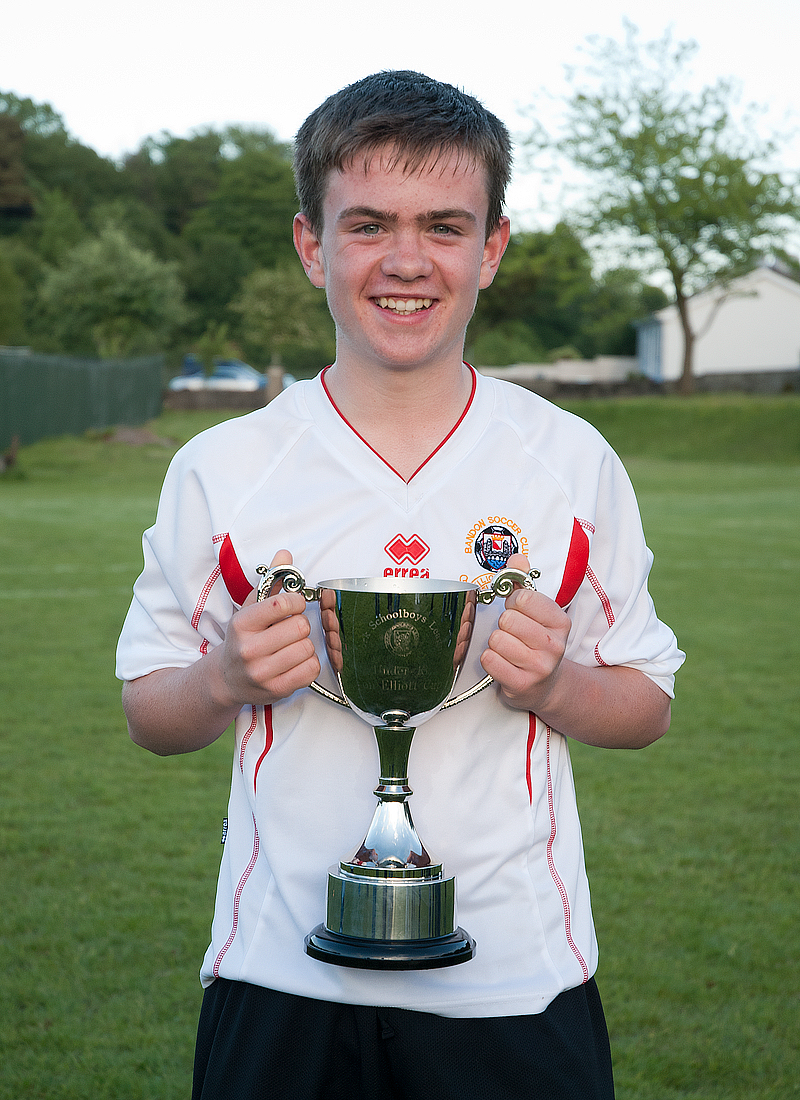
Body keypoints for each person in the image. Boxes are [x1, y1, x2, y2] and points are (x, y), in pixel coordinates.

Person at [116, 70, 684, 1100]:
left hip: (514, 980)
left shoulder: (568, 460)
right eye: (368, 223)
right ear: (310, 243)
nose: (408, 260)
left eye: (444, 225)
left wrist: (556, 684)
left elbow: (642, 701)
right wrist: (222, 677)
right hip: (278, 974)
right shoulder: (224, 465)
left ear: (490, 248)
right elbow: (151, 713)